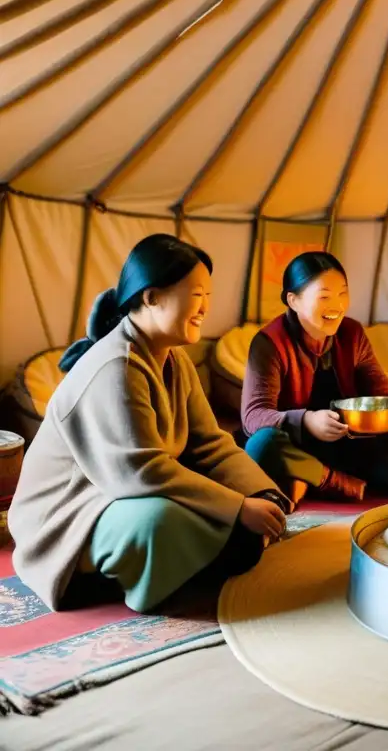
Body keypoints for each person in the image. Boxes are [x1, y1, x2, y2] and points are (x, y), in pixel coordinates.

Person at [8, 234, 290, 613]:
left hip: (126, 494)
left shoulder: (174, 360)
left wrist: (260, 495)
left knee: (240, 503)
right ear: (151, 297)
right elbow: (140, 472)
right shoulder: (115, 366)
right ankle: (140, 576)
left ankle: (190, 559)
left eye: (208, 295)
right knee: (163, 520)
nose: (205, 307)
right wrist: (237, 507)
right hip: (72, 516)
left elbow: (212, 444)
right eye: (195, 295)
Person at [242, 252, 388, 502]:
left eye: (343, 294)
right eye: (324, 296)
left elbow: (382, 391)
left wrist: (378, 413)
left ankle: (308, 480)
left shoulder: (352, 333)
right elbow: (254, 416)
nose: (337, 305)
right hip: (297, 445)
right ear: (294, 301)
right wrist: (308, 421)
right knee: (262, 444)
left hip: (348, 439)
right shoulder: (269, 343)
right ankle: (341, 480)